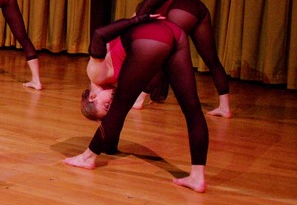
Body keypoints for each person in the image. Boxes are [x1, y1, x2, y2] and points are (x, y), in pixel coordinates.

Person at [63, 14, 209, 193]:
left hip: (151, 36)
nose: (110, 103)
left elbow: (99, 34)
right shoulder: (114, 78)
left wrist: (139, 19)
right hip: (175, 32)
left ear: (92, 97)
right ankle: (197, 176)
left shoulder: (96, 73)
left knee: (120, 108)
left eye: (106, 106)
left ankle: (87, 157)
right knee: (193, 109)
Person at [131, 0, 231, 118]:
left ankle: (139, 100)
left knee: (164, 59)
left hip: (181, 11)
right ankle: (225, 107)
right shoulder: (146, 21)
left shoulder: (140, 12)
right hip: (198, 7)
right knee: (212, 60)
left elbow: (150, 2)